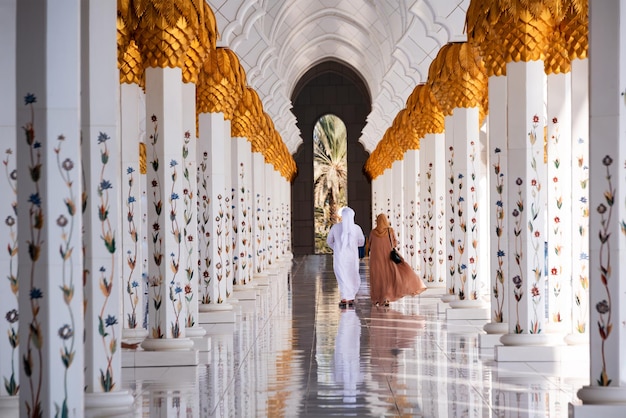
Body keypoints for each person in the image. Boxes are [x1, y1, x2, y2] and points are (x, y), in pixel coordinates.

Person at [367, 213, 427, 306]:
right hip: (388, 258)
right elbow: (394, 244)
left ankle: (378, 298)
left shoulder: (373, 232)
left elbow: (370, 245)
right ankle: (386, 297)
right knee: (389, 277)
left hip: (376, 260)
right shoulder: (390, 231)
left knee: (378, 278)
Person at [327, 207, 366, 307]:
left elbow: (329, 241)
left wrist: (336, 248)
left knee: (342, 276)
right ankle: (350, 296)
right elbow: (361, 242)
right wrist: (353, 246)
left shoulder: (335, 227)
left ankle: (345, 297)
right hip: (352, 256)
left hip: (340, 256)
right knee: (352, 275)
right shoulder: (356, 228)